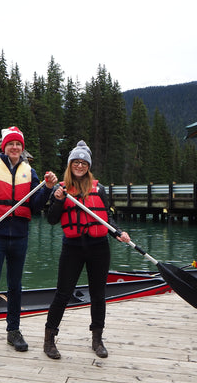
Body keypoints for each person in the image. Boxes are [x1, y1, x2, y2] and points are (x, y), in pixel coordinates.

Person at [0, 126, 58, 366]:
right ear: (3, 147)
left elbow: (36, 206)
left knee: (16, 287)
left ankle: (13, 331)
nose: (15, 148)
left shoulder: (31, 172)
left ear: (22, 147)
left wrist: (48, 188)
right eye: (10, 144)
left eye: (18, 144)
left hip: (19, 236)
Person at [43, 140, 131, 359]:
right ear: (70, 164)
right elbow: (52, 219)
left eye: (84, 162)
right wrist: (58, 201)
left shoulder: (99, 189)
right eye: (76, 162)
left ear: (88, 166)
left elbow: (107, 217)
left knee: (98, 294)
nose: (80, 166)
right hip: (72, 247)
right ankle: (49, 339)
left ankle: (97, 339)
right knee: (63, 294)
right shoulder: (60, 189)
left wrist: (118, 232)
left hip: (99, 247)